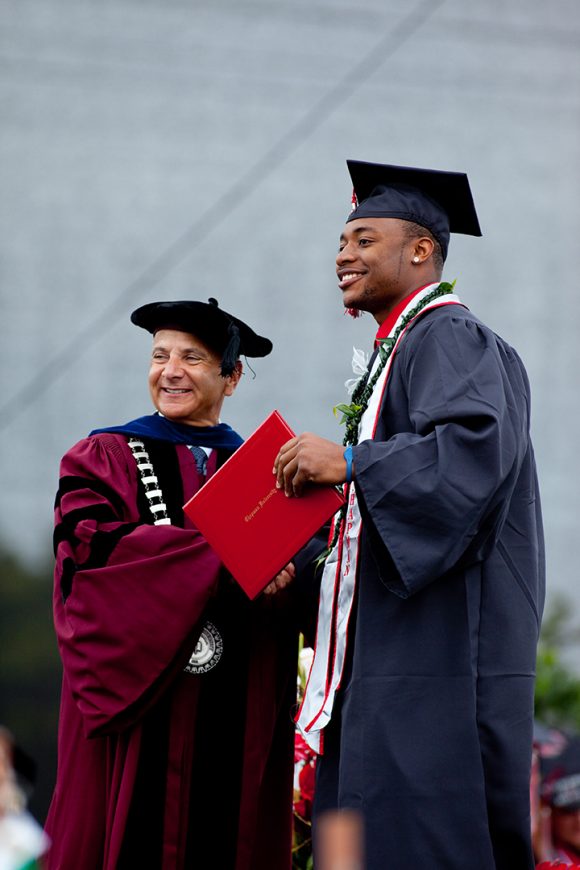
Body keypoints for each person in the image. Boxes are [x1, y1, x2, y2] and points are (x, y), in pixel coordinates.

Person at [274, 160, 545, 869]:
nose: (342, 255)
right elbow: (375, 529)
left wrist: (355, 462)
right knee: (350, 839)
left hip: (438, 668)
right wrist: (300, 567)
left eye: (364, 239)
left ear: (421, 249)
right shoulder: (397, 350)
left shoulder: (450, 338)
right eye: (341, 241)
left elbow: (469, 460)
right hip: (382, 670)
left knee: (416, 835)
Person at [45, 298, 314, 870]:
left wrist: (289, 574)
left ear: (232, 377)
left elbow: (311, 574)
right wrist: (226, 557)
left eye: (192, 357)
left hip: (241, 711)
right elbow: (88, 551)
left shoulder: (271, 476)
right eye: (160, 355)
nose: (170, 370)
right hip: (144, 712)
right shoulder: (104, 457)